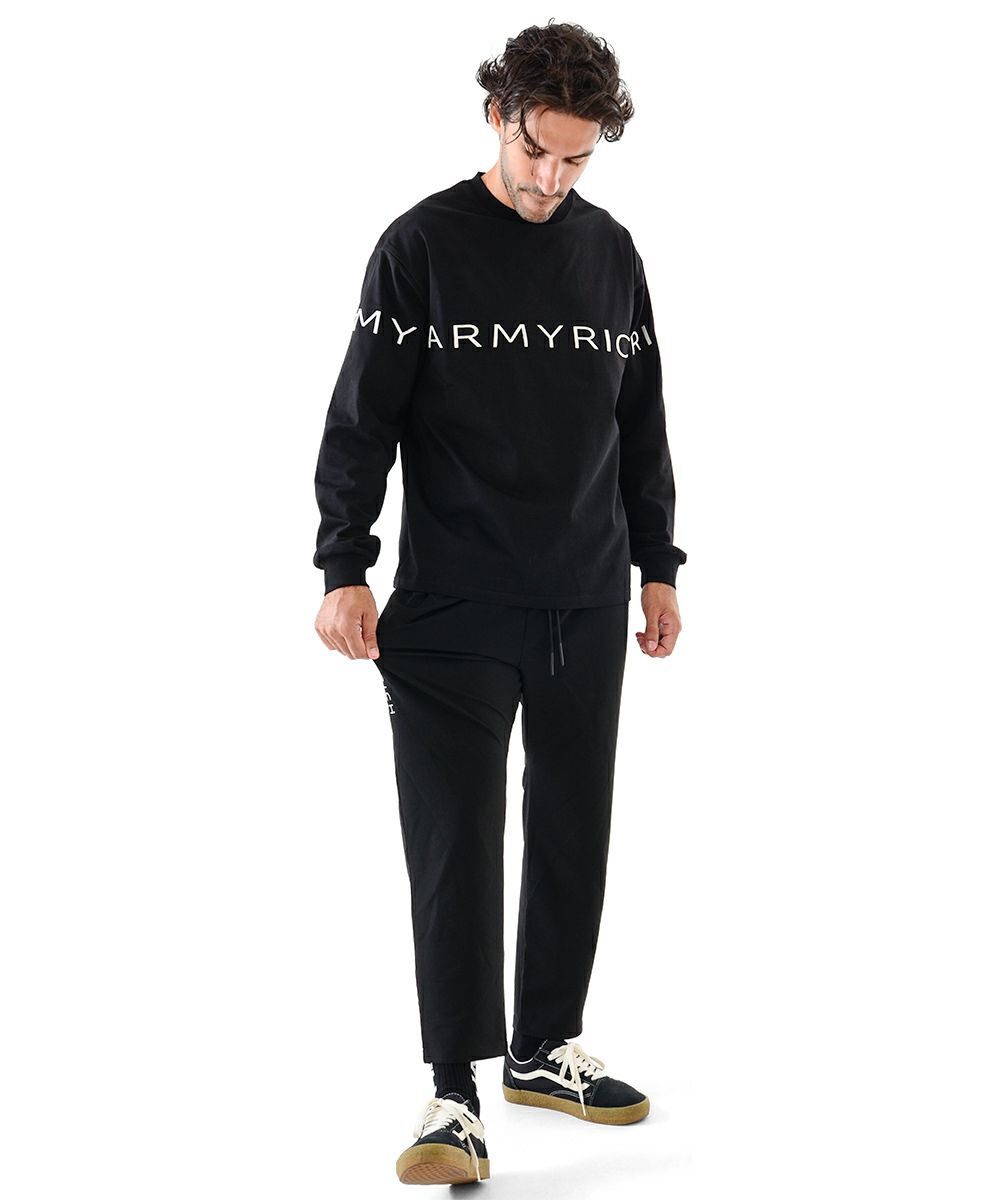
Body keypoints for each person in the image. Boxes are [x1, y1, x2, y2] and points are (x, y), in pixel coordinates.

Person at [312, 20, 687, 1186]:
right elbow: (361, 419)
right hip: (449, 607)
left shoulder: (610, 253)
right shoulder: (420, 246)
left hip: (584, 599)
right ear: (497, 115)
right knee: (455, 846)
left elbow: (641, 421)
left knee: (573, 830)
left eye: (577, 159)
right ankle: (452, 1095)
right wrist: (341, 566)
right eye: (536, 151)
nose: (551, 179)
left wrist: (658, 564)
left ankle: (541, 1049)